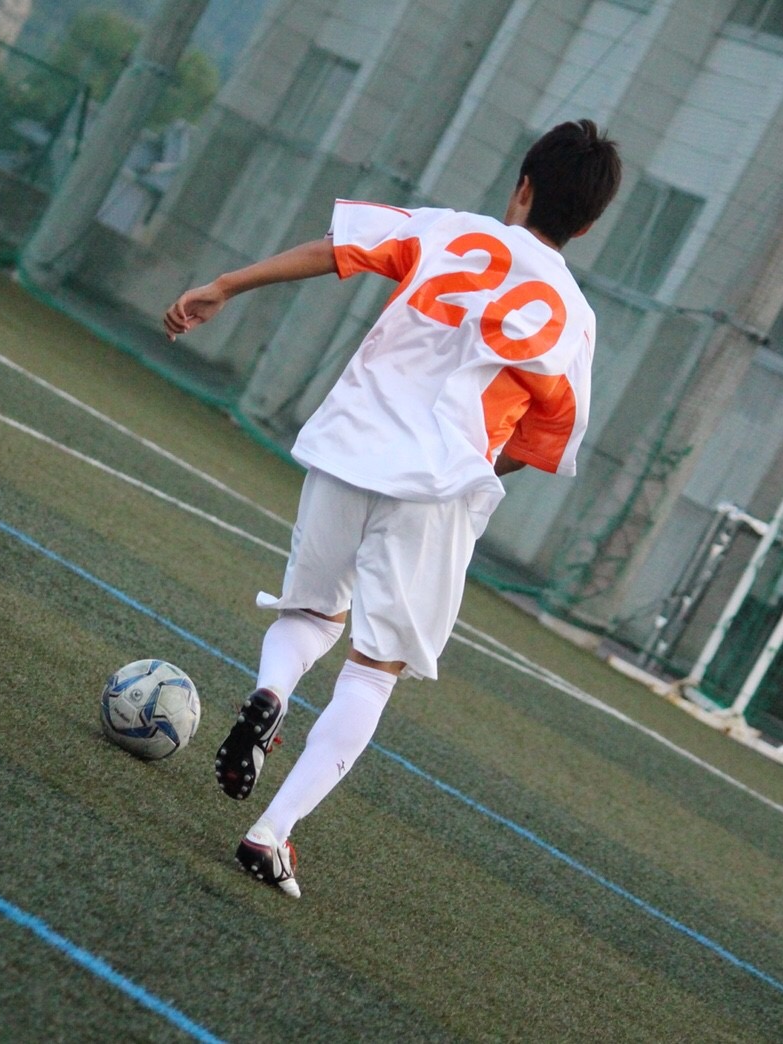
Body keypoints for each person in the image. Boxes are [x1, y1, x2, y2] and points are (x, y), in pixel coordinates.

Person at [162, 120, 623, 897]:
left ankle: (271, 692)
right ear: (585, 226)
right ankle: (270, 833)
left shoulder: (449, 230)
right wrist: (475, 465)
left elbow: (335, 248)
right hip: (436, 484)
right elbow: (545, 442)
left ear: (522, 187)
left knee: (312, 610)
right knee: (375, 670)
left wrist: (226, 286)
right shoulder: (574, 317)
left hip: (351, 443)